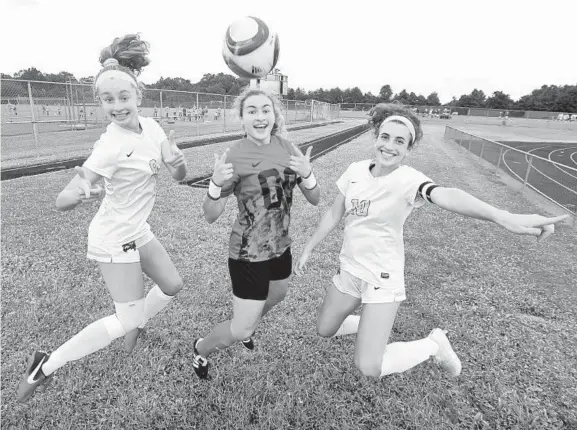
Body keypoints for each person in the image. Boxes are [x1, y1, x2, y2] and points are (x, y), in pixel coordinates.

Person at [294, 103, 568, 379]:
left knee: (369, 366)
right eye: (385, 137)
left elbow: (445, 194)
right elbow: (334, 213)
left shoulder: (410, 180)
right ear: (376, 137)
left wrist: (501, 215)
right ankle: (371, 326)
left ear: (409, 149)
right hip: (350, 269)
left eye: (400, 141)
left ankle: (433, 344)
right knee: (325, 329)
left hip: (381, 276)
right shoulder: (355, 170)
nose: (390, 146)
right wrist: (309, 247)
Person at [17, 34, 189, 402]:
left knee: (172, 285)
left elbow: (177, 174)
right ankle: (45, 364)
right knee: (125, 318)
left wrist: (178, 163)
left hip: (137, 229)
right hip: (113, 238)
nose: (116, 105)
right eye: (107, 99)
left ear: (138, 96)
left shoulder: (154, 127)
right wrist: (81, 194)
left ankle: (135, 323)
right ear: (100, 102)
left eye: (123, 97)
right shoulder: (108, 146)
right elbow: (62, 200)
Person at [191, 87, 321, 379]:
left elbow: (316, 199)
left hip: (280, 247)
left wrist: (308, 174)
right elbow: (210, 216)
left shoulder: (288, 148)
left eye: (266, 110)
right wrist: (214, 183)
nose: (260, 117)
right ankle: (201, 349)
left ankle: (247, 322)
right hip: (248, 254)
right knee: (240, 329)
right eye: (252, 111)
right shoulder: (235, 157)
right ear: (242, 118)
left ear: (275, 115)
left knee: (279, 294)